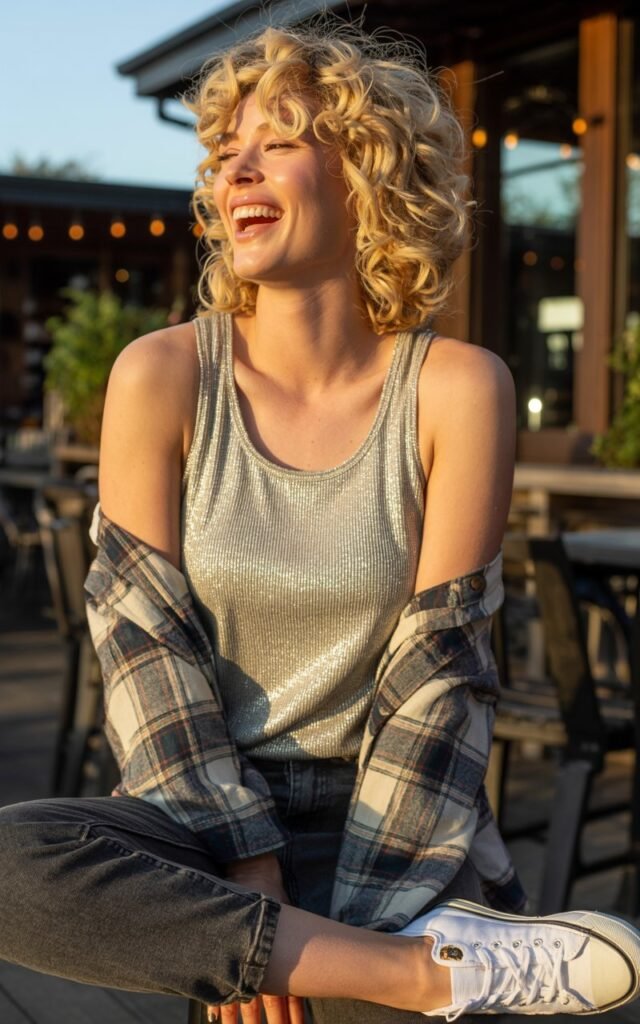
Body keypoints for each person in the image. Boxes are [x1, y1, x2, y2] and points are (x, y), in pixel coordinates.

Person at [0, 19, 639, 1024]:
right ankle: (434, 971)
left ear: (368, 177)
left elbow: (440, 673)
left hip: (394, 812)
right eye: (224, 151)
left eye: (281, 142)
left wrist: (313, 933)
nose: (236, 169)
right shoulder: (161, 374)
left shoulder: (456, 388)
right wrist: (248, 873)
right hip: (202, 815)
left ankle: (380, 954)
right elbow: (143, 647)